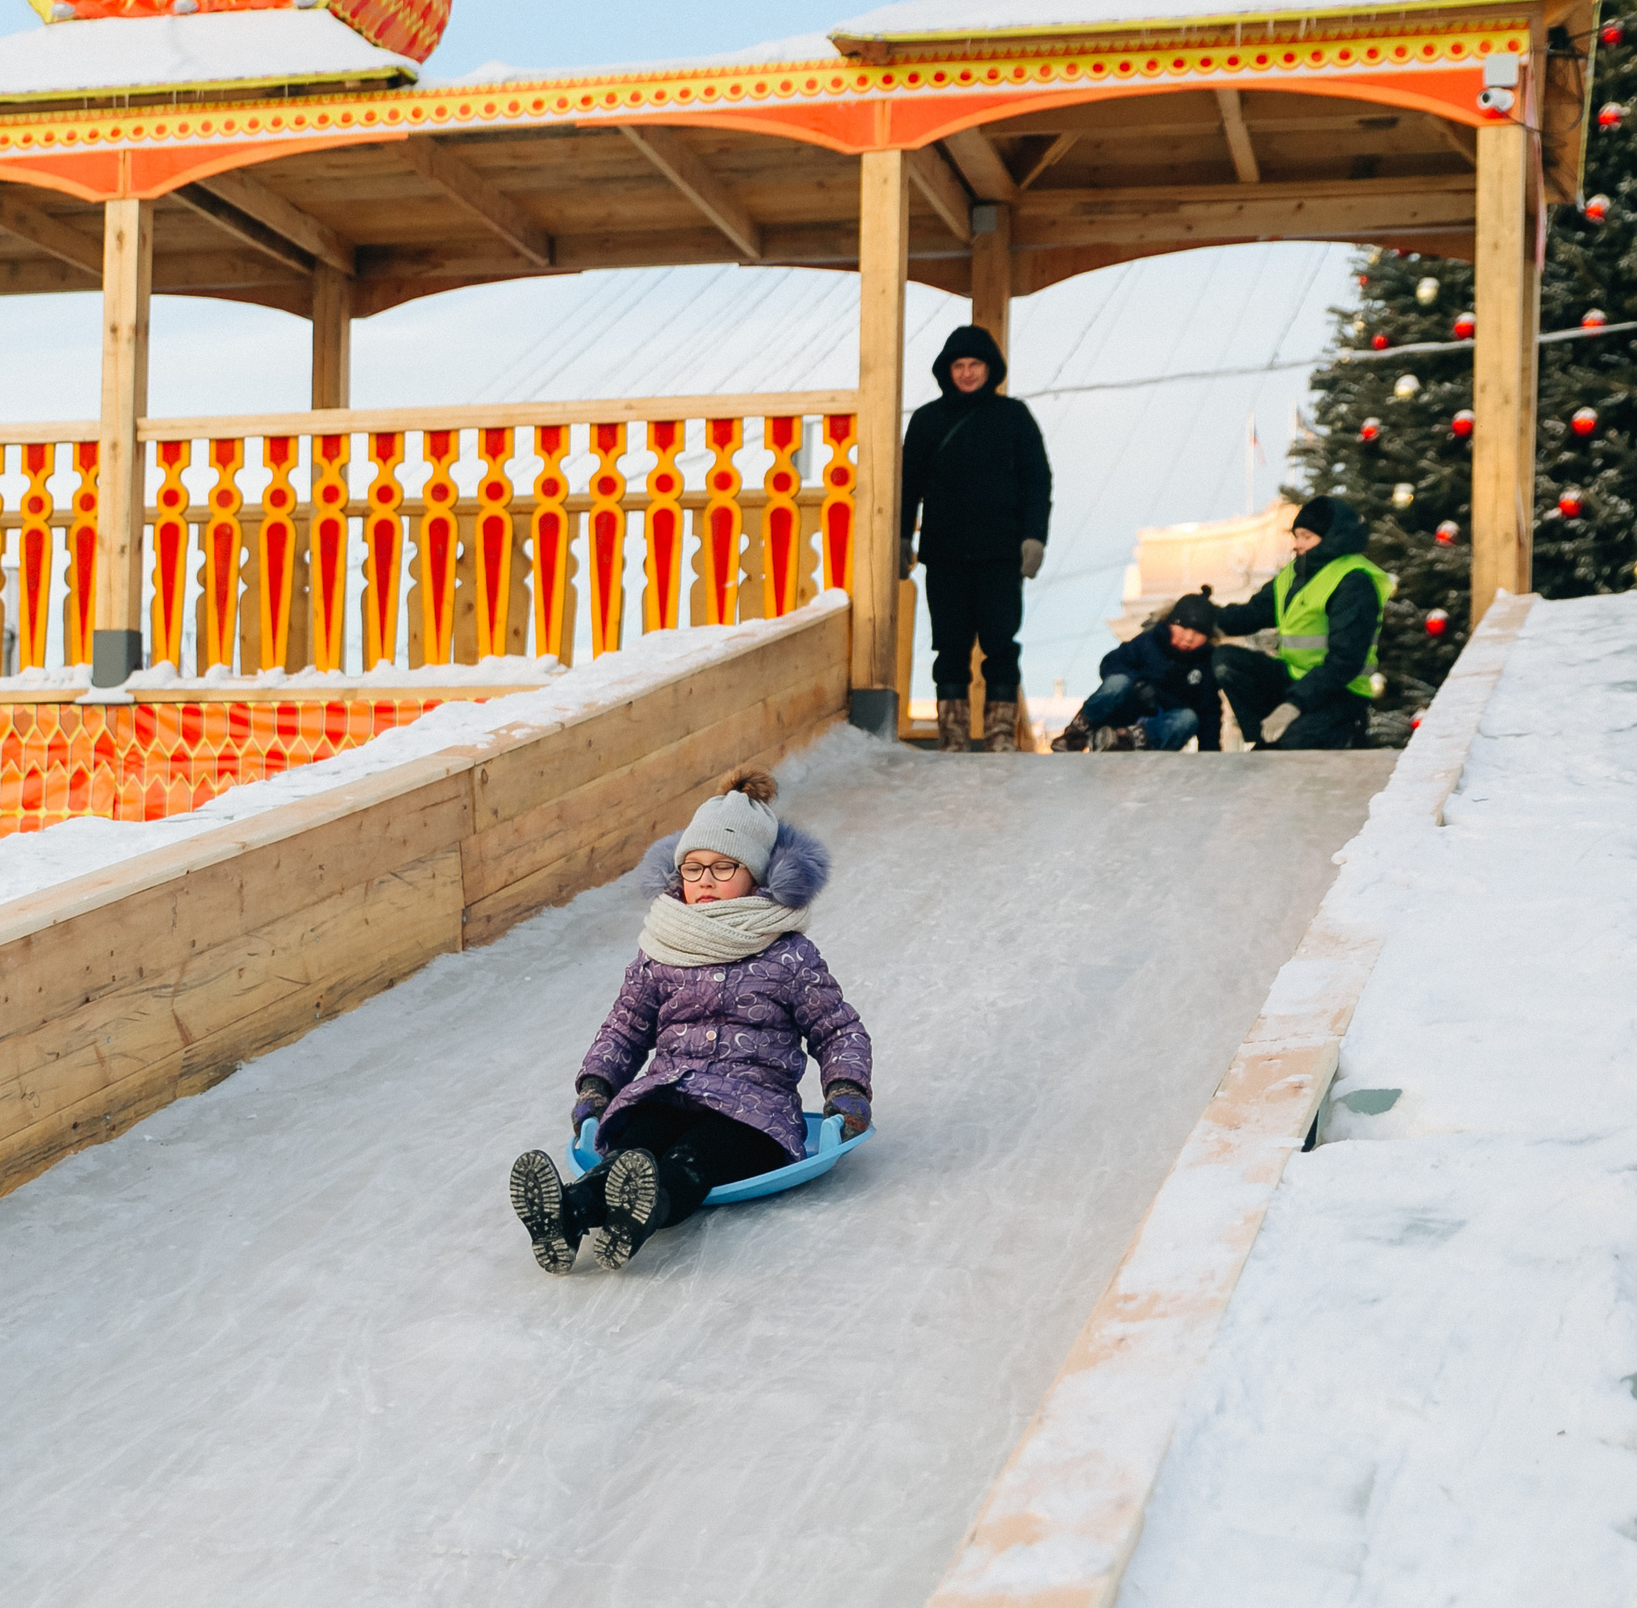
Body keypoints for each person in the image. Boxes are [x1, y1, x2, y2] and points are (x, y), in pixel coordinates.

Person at [506, 769, 874, 1273]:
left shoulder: (787, 955)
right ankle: (569, 1213)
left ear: (758, 876)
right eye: (694, 867)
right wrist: (597, 1084)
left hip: (753, 1110)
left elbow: (836, 1030)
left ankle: (647, 1210)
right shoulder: (664, 947)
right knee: (635, 1145)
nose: (705, 880)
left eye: (724, 867)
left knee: (695, 1155)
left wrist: (847, 1089)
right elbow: (625, 1027)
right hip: (669, 1091)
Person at [902, 324, 1052, 753]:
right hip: (945, 554)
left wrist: (1034, 537)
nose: (967, 373)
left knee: (1000, 645)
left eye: (975, 364)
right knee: (949, 647)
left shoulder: (1014, 417)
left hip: (1000, 554)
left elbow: (1037, 481)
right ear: (947, 371)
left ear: (990, 369)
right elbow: (908, 485)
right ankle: (952, 737)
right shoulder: (927, 421)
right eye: (959, 365)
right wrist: (901, 537)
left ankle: (1000, 736)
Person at [1211, 497, 1392, 750]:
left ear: (1331, 536)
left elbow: (1345, 661)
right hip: (1294, 679)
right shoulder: (1293, 575)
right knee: (1226, 661)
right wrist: (1204, 616)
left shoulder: (1353, 581)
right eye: (1296, 536)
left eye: (1306, 537)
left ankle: (1328, 733)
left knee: (1289, 749)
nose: (1298, 545)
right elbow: (1252, 614)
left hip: (1340, 693)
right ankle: (1264, 736)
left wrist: (1293, 705)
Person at [1052, 589, 1224, 753]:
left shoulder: (1204, 666)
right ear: (1170, 623)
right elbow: (1111, 663)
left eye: (1198, 633)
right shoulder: (1149, 643)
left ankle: (1123, 741)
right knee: (1117, 682)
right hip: (1126, 710)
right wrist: (1138, 684)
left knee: (1188, 718)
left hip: (1157, 728)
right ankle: (1077, 734)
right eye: (1184, 628)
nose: (1189, 638)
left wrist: (1210, 756)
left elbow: (1209, 712)